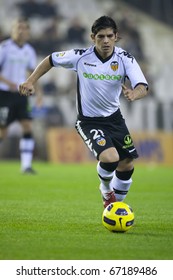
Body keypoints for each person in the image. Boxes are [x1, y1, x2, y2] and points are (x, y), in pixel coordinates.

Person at [19, 16, 149, 205]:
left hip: (115, 119)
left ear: (116, 37)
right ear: (92, 37)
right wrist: (31, 81)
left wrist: (134, 94)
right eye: (101, 36)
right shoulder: (80, 57)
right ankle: (105, 189)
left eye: (109, 36)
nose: (105, 41)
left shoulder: (125, 59)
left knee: (127, 164)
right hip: (89, 121)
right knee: (111, 158)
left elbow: (142, 86)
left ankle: (115, 207)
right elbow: (50, 59)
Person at [0, 18, 40, 174]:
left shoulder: (29, 50)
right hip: (4, 94)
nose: (21, 31)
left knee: (27, 126)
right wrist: (10, 83)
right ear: (13, 30)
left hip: (21, 94)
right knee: (3, 131)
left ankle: (26, 166)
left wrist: (39, 93)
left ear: (28, 32)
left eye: (24, 28)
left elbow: (33, 73)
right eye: (18, 28)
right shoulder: (4, 48)